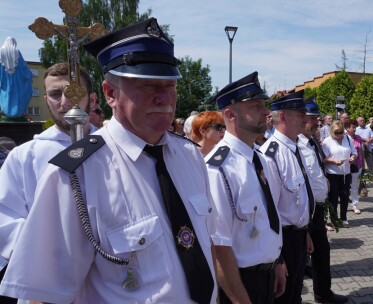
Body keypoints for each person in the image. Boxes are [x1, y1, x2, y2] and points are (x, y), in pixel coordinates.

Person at [0, 18, 218, 303]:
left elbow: (205, 246)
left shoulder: (189, 156)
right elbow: (46, 294)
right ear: (110, 93)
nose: (165, 98)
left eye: (170, 85)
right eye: (148, 85)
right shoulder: (75, 174)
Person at [0, 63, 98, 297]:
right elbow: (5, 220)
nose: (65, 102)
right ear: (45, 99)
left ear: (92, 99)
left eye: (74, 92)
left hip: (112, 280)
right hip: (47, 284)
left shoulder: (113, 148)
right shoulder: (25, 156)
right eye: (55, 94)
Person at [205, 72, 285, 303]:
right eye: (256, 106)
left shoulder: (260, 158)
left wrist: (277, 262)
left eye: (263, 105)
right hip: (240, 283)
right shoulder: (218, 169)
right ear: (230, 114)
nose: (266, 112)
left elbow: (269, 217)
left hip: (267, 274)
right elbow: (218, 247)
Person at [260, 90, 314, 304]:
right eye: (300, 114)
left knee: (295, 295)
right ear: (282, 117)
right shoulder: (271, 154)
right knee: (285, 298)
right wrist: (278, 258)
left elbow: (296, 199)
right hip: (284, 241)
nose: (306, 118)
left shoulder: (293, 148)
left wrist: (305, 231)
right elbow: (269, 210)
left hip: (298, 236)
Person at [298, 99, 348, 304]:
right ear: (302, 119)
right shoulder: (295, 145)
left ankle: (323, 294)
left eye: (318, 119)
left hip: (317, 208)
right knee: (300, 258)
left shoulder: (312, 141)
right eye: (313, 119)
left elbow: (317, 166)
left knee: (321, 254)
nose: (317, 123)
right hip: (303, 211)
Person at [322, 121, 357, 228]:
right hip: (333, 173)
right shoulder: (327, 141)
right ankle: (334, 219)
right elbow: (324, 158)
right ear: (332, 131)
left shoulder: (348, 138)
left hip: (346, 173)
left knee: (345, 196)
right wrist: (334, 161)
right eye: (336, 133)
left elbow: (354, 152)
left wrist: (352, 158)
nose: (339, 135)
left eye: (341, 132)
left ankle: (344, 218)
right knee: (333, 197)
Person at [0, 37, 33, 119]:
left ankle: (5, 111)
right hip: (18, 82)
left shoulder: (0, 52)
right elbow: (24, 68)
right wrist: (29, 75)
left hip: (4, 81)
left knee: (5, 95)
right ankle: (18, 111)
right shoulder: (17, 52)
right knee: (18, 95)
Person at [346, 120, 364, 215]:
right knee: (345, 186)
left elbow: (361, 151)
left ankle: (355, 205)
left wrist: (363, 164)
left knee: (354, 185)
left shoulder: (358, 138)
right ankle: (344, 204)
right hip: (346, 165)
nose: (354, 129)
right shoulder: (344, 138)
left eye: (354, 127)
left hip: (357, 165)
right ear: (347, 128)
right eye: (352, 127)